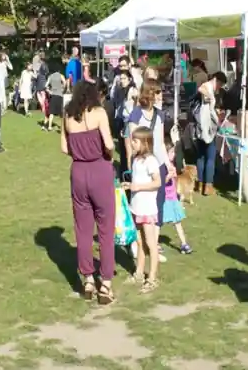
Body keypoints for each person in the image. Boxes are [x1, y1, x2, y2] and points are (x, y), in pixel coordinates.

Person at [61, 81, 117, 304]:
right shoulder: (100, 113)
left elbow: (64, 148)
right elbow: (110, 144)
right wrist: (106, 154)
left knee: (82, 229)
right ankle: (106, 283)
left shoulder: (67, 115)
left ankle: (87, 279)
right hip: (99, 169)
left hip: (78, 171)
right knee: (105, 229)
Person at [126, 80, 171, 263]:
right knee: (138, 205)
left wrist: (168, 165)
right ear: (149, 94)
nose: (161, 96)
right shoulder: (136, 114)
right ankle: (136, 244)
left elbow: (160, 143)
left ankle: (153, 244)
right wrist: (132, 166)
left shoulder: (160, 115)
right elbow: (132, 142)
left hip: (157, 164)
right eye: (158, 92)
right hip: (140, 165)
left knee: (157, 206)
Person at [123, 126, 163, 294]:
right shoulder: (136, 159)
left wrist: (137, 187)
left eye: (135, 141)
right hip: (136, 208)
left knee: (150, 243)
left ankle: (152, 277)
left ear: (145, 142)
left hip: (147, 209)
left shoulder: (151, 160)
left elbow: (157, 182)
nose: (132, 143)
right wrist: (129, 186)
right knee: (139, 242)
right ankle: (139, 272)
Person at [193, 72, 226, 196]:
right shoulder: (207, 86)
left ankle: (199, 184)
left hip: (200, 126)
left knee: (201, 156)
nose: (219, 87)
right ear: (216, 80)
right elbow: (201, 88)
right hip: (207, 127)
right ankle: (208, 186)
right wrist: (211, 98)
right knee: (210, 157)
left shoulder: (209, 87)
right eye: (220, 84)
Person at [160, 132, 192, 254]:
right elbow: (161, 183)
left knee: (178, 222)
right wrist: (168, 177)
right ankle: (154, 243)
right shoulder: (162, 167)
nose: (174, 155)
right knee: (159, 223)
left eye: (174, 152)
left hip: (173, 199)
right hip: (165, 200)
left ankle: (184, 243)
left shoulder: (172, 165)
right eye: (171, 152)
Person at [45, 66, 67, 132]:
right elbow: (65, 83)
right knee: (61, 113)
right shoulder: (61, 76)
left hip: (53, 96)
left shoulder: (50, 76)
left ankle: (49, 127)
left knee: (51, 112)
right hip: (60, 95)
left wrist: (49, 91)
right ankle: (62, 127)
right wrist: (63, 89)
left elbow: (45, 86)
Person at [34, 52, 50, 120]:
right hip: (42, 81)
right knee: (42, 97)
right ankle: (43, 108)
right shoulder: (45, 65)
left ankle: (43, 108)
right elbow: (47, 72)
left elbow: (37, 73)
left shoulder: (41, 65)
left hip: (40, 81)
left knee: (41, 97)